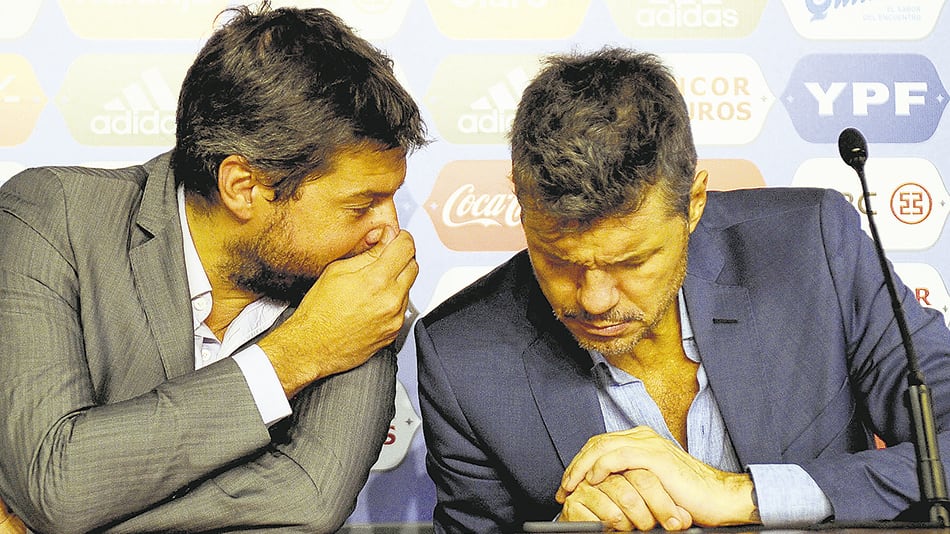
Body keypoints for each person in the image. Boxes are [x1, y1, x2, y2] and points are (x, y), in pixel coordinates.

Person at [415, 47, 950, 532]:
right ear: (519, 202)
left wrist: (744, 495)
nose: (595, 299)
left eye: (632, 261)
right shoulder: (461, 359)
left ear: (693, 203)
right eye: (559, 260)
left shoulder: (815, 250)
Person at [0, 3, 426, 532]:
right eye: (361, 205)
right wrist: (292, 358)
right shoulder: (51, 218)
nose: (390, 232)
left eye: (394, 199)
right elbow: (58, 482)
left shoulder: (360, 283)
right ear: (243, 187)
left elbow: (308, 503)